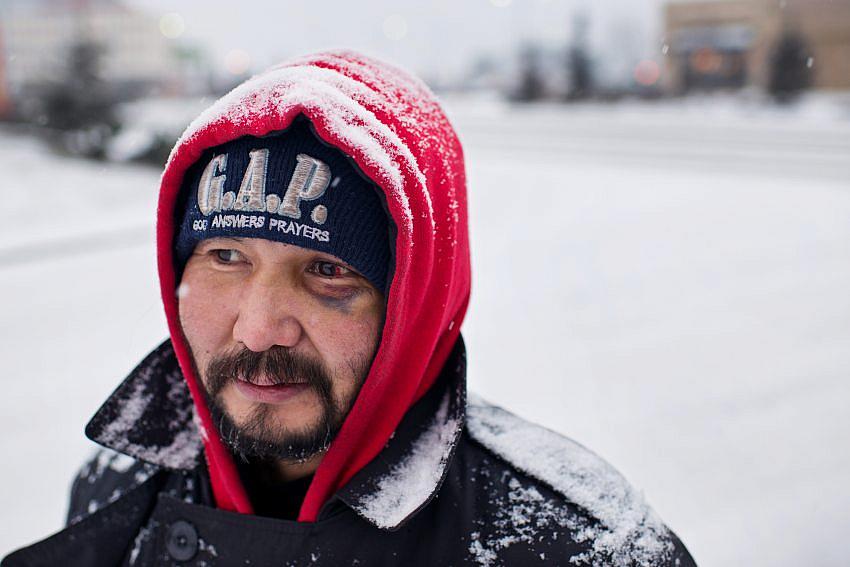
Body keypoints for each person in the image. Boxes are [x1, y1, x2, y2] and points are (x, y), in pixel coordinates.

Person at [2, 51, 696, 566]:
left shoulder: (582, 548)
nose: (258, 326)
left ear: (414, 306)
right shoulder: (117, 483)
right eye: (226, 257)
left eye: (328, 271)